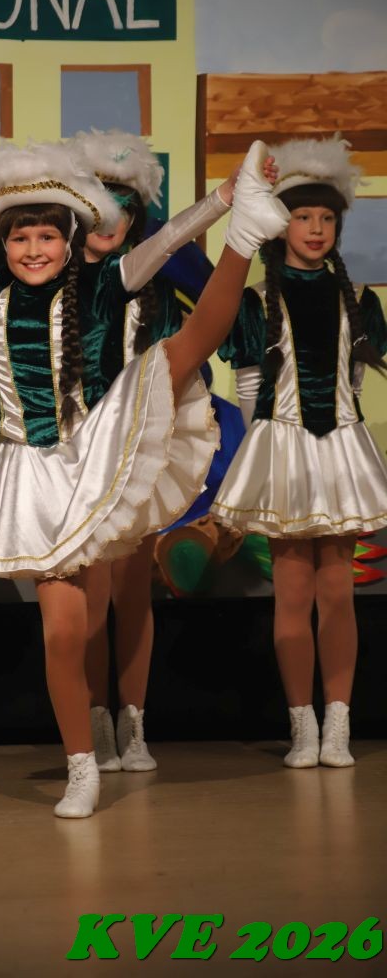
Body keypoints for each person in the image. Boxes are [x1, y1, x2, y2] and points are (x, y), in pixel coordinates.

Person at [0, 66, 287, 816]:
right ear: (3, 242)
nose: (33, 248)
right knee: (63, 633)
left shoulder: (103, 282)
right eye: (21, 237)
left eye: (47, 236)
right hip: (29, 473)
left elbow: (166, 239)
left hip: (95, 443)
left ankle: (246, 233)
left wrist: (223, 201)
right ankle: (82, 763)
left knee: (189, 346)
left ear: (69, 240)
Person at [211, 137, 387, 768]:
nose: (315, 228)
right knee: (291, 594)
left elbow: (354, 384)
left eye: (326, 218)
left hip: (337, 451)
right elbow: (249, 388)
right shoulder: (257, 300)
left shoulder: (359, 301)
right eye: (302, 216)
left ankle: (338, 724)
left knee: (337, 593)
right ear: (280, 223)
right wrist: (256, 466)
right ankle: (302, 727)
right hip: (282, 452)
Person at [67, 128, 187, 773]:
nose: (111, 220)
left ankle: (134, 723)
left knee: (134, 595)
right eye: (100, 206)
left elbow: (175, 377)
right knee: (88, 597)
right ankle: (94, 724)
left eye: (124, 209)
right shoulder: (51, 286)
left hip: (135, 454)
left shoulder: (154, 295)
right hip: (72, 461)